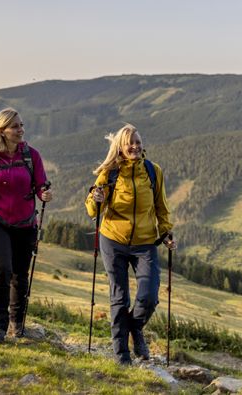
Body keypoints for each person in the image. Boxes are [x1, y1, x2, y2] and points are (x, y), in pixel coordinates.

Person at [85, 124, 174, 365]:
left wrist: (166, 232)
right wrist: (95, 199)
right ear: (120, 148)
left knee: (149, 297)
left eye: (138, 142)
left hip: (145, 243)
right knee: (119, 297)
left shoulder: (153, 171)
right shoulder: (110, 173)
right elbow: (93, 209)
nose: (135, 146)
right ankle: (122, 355)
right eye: (129, 143)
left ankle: (135, 327)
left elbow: (161, 207)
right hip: (113, 240)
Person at [0, 108, 52, 343]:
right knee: (2, 268)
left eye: (21, 125)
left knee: (20, 273)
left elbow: (40, 185)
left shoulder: (31, 155)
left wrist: (44, 193)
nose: (20, 130)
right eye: (15, 126)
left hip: (25, 223)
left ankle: (17, 323)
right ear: (2, 130)